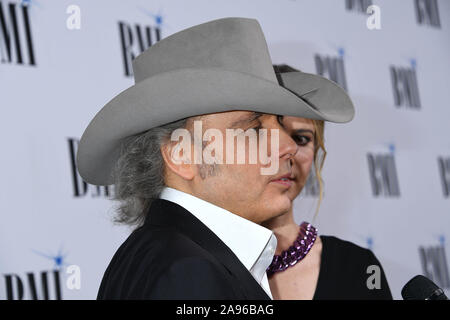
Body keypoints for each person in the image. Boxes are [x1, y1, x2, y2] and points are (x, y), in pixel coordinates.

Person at [76, 17, 354, 299]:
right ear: (182, 155)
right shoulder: (189, 273)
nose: (287, 147)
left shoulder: (163, 254)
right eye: (255, 129)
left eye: (279, 126)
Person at [260, 65, 393, 300]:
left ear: (317, 151)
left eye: (301, 139)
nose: (287, 152)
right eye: (268, 136)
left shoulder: (359, 267)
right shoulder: (200, 264)